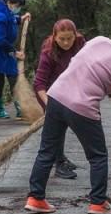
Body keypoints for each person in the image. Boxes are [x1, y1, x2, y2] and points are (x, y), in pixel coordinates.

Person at [24, 27, 111, 214]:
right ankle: (98, 203)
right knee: (98, 156)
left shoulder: (99, 40)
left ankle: (36, 198)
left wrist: (102, 81)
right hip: (82, 108)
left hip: (55, 96)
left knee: (47, 151)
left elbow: (78, 62)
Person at [33, 19, 86, 180]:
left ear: (75, 35)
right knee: (56, 129)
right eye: (61, 39)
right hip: (50, 93)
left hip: (71, 90)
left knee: (68, 125)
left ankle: (61, 158)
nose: (66, 42)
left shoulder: (81, 43)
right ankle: (59, 164)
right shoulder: (48, 53)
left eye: (69, 38)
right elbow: (39, 84)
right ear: (54, 36)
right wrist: (50, 105)